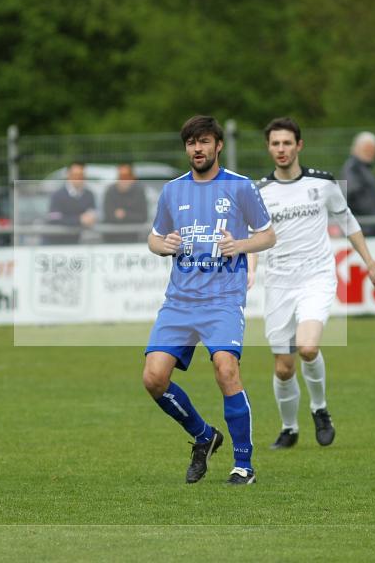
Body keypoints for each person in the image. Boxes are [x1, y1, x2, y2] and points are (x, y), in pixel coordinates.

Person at [143, 115, 275, 486]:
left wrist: (241, 245)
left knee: (226, 369)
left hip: (222, 299)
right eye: (191, 143)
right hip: (180, 301)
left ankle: (243, 465)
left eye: (204, 141)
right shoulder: (173, 191)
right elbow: (153, 238)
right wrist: (163, 246)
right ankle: (204, 436)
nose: (197, 149)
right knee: (154, 378)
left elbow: (268, 236)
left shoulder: (240, 186)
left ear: (218, 145)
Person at [248, 117, 375, 450]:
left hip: (316, 277)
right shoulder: (259, 192)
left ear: (299, 146)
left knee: (307, 348)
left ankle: (320, 409)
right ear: (269, 148)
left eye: (287, 143)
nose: (281, 149)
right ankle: (289, 428)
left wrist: (370, 263)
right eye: (275, 144)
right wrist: (250, 270)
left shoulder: (322, 183)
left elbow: (348, 222)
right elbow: (254, 238)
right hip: (279, 283)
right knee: (283, 368)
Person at [44, 162, 96, 245]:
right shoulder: (57, 195)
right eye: (76, 175)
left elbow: (92, 213)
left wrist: (91, 218)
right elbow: (54, 219)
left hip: (79, 243)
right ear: (68, 175)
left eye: (81, 175)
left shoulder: (89, 195)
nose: (78, 178)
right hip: (58, 243)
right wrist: (79, 220)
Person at [340, 131, 375, 236]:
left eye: (373, 150)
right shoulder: (353, 168)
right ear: (356, 148)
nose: (371, 153)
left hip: (367, 225)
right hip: (362, 226)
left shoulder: (363, 168)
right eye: (367, 149)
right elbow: (350, 194)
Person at [102, 163, 148, 243]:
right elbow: (106, 215)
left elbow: (143, 216)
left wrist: (125, 215)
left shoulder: (139, 192)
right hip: (111, 238)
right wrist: (116, 216)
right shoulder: (110, 191)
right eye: (121, 177)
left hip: (134, 238)